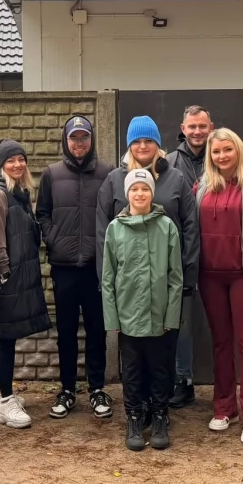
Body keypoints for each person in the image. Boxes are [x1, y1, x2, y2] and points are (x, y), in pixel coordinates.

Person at [96, 115, 199, 417]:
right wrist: (106, 280)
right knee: (133, 352)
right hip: (128, 285)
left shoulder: (176, 178)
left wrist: (187, 274)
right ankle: (136, 407)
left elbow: (191, 228)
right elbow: (104, 230)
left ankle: (165, 402)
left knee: (166, 345)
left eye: (148, 141)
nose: (143, 146)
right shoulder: (114, 179)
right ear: (129, 146)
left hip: (166, 281)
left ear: (158, 144)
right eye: (136, 141)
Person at [195, 128, 243, 445]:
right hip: (209, 276)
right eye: (216, 152)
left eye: (227, 150)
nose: (222, 156)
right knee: (221, 343)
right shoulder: (200, 187)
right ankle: (225, 407)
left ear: (237, 151)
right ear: (210, 157)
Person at [36, 115, 113, 420]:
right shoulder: (51, 174)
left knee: (97, 330)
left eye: (83, 138)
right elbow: (42, 214)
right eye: (73, 138)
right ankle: (67, 389)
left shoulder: (107, 172)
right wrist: (54, 240)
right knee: (66, 331)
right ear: (65, 141)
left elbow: (114, 212)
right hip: (64, 267)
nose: (79, 143)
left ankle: (96, 388)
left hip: (96, 267)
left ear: (91, 140)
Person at [101, 169, 182, 451]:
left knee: (161, 369)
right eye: (134, 189)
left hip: (159, 315)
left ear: (152, 193)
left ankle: (160, 415)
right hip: (128, 318)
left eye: (144, 189)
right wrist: (112, 318)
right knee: (133, 371)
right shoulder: (115, 229)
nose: (139, 194)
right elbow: (108, 277)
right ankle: (134, 417)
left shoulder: (166, 227)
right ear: (127, 194)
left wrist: (172, 315)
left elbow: (175, 276)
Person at [0, 140, 51, 429]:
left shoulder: (18, 192)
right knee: (5, 335)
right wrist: (3, 274)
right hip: (5, 277)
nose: (18, 165)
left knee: (1, 333)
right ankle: (6, 403)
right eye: (11, 160)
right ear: (1, 164)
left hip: (14, 275)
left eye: (22, 159)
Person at [164, 105, 214, 408]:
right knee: (180, 324)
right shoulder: (168, 164)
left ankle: (224, 385)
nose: (197, 132)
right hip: (182, 256)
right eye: (192, 127)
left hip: (219, 253)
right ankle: (183, 380)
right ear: (182, 128)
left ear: (211, 127)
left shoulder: (222, 157)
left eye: (202, 126)